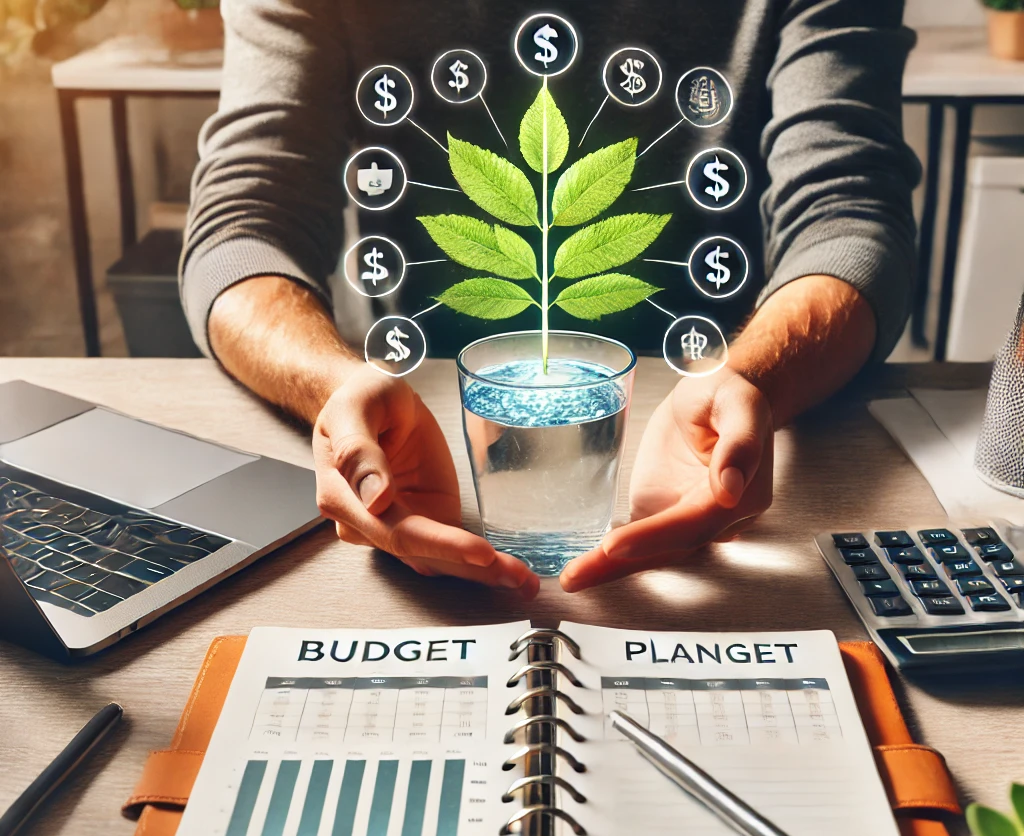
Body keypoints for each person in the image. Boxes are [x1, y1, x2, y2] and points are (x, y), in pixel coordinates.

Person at [181, 0, 920, 597]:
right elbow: (241, 226)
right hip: (424, 446)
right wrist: (335, 389)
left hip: (718, 409)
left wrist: (752, 378)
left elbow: (850, 214)